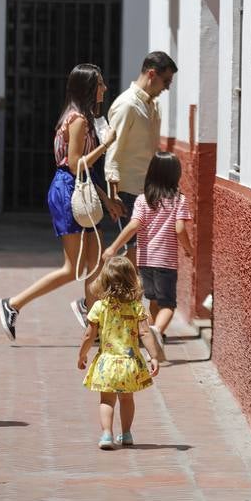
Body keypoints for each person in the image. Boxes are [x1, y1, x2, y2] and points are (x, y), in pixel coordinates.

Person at [0, 64, 124, 341]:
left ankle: (93, 321)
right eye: (100, 84)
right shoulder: (78, 119)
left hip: (80, 188)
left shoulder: (82, 117)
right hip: (68, 191)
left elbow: (83, 171)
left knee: (96, 263)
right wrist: (106, 145)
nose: (104, 88)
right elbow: (77, 163)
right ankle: (13, 304)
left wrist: (107, 200)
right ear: (89, 88)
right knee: (75, 268)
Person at [103, 151, 193, 362]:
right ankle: (156, 331)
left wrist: (113, 247)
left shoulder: (143, 200)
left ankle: (154, 350)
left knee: (152, 299)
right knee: (168, 305)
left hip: (145, 260)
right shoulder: (179, 200)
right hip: (166, 262)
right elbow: (180, 229)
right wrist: (188, 249)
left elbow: (134, 225)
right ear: (175, 175)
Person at [78, 256, 159, 450]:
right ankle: (127, 433)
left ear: (104, 280)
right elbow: (145, 333)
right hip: (130, 363)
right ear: (133, 279)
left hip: (107, 362)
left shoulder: (99, 307)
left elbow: (89, 335)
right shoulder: (136, 307)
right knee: (127, 399)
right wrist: (154, 356)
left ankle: (107, 434)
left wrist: (82, 354)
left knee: (106, 400)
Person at [104, 51, 177, 266]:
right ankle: (102, 294)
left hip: (147, 190)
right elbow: (112, 150)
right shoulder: (127, 105)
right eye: (166, 81)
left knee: (144, 253)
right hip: (128, 190)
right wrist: (113, 195)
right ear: (152, 74)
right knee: (136, 252)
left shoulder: (152, 105)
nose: (167, 87)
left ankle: (108, 296)